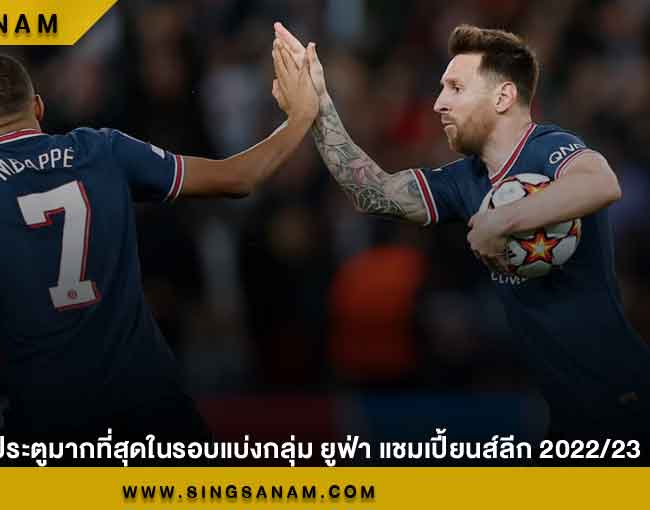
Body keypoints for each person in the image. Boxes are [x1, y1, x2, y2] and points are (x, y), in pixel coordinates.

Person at [0, 51, 318, 458]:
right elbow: (237, 178)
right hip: (154, 412)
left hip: (50, 426)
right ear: (38, 107)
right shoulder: (103, 149)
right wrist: (299, 117)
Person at [272, 23, 650, 450]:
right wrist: (319, 107)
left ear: (503, 97)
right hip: (570, 416)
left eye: (455, 88)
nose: (438, 103)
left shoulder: (548, 147)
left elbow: (602, 183)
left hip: (626, 403)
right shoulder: (463, 181)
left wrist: (499, 222)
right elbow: (372, 191)